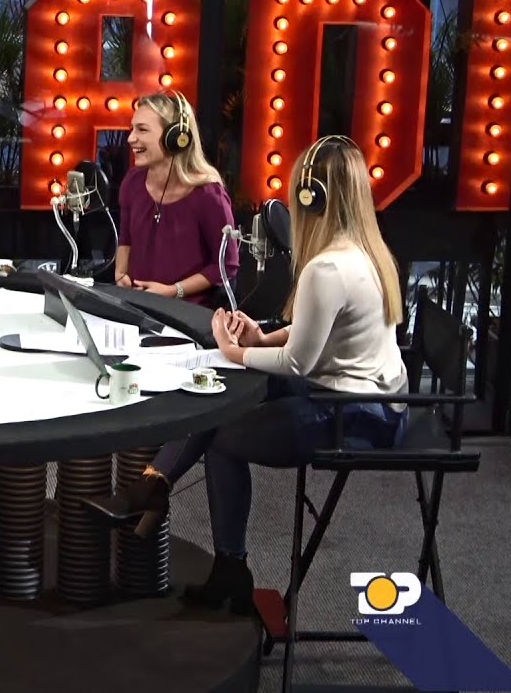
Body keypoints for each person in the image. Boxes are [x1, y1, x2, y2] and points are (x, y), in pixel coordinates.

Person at [86, 136, 409, 613]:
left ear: (310, 197)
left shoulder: (328, 269)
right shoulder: (367, 252)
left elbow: (298, 364)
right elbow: (319, 332)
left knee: (224, 436)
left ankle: (220, 559)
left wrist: (235, 351)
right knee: (227, 393)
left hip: (356, 415)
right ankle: (155, 490)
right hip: (373, 401)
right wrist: (262, 338)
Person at [113, 90, 239, 305]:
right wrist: (120, 273)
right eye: (132, 129)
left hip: (187, 314)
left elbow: (226, 265)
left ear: (176, 137)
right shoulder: (132, 182)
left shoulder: (208, 194)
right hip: (137, 307)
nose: (131, 138)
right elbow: (126, 240)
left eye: (142, 130)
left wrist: (174, 291)